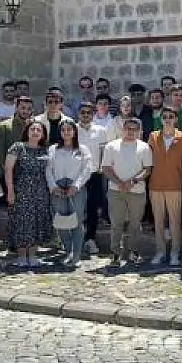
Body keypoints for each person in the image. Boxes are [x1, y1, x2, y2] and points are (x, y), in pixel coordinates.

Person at [101, 117, 153, 267]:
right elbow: (106, 168)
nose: (130, 132)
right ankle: (115, 253)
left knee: (135, 224)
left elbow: (147, 169)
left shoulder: (144, 147)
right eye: (128, 128)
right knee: (116, 223)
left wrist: (134, 180)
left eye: (134, 129)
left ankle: (134, 251)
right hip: (116, 191)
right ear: (122, 129)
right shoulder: (111, 146)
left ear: (138, 132)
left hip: (136, 191)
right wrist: (119, 182)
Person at [4, 120, 53, 268]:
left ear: (43, 134)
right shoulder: (18, 147)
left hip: (41, 193)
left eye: (39, 130)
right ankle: (21, 256)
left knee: (37, 223)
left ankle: (32, 255)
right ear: (27, 131)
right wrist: (10, 191)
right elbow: (8, 169)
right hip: (22, 192)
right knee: (22, 224)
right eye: (33, 129)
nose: (36, 132)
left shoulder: (45, 150)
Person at [146, 106, 182, 266]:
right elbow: (147, 161)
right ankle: (160, 252)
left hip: (175, 185)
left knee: (174, 222)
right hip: (156, 185)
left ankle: (175, 253)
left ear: (175, 119)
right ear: (160, 119)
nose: (167, 119)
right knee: (158, 221)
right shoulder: (153, 136)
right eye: (164, 116)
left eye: (170, 116)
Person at [45, 119, 93, 267]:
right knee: (61, 221)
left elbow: (87, 169)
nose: (66, 132)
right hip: (58, 188)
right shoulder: (53, 149)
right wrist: (53, 186)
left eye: (69, 129)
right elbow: (48, 169)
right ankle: (68, 251)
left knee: (76, 221)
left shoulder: (82, 149)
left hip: (75, 188)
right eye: (63, 130)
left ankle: (77, 255)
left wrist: (76, 186)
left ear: (74, 131)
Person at [75, 102, 109, 257]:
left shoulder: (101, 131)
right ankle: (76, 240)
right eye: (83, 112)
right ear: (78, 114)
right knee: (77, 207)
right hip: (77, 173)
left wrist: (102, 168)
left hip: (95, 174)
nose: (86, 115)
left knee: (93, 208)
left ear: (93, 114)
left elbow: (103, 151)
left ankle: (90, 238)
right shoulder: (73, 129)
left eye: (89, 112)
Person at [0, 96, 34, 207]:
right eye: (23, 108)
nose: (25, 111)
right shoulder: (4, 127)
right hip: (9, 177)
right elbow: (0, 157)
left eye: (29, 108)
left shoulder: (35, 127)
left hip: (30, 178)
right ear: (16, 108)